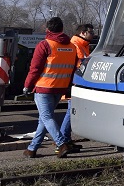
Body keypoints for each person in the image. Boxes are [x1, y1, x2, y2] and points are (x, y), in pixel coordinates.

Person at [22, 17, 78, 158]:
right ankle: (32, 149)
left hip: (44, 87)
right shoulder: (72, 47)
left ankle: (61, 144)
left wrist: (27, 86)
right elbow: (72, 69)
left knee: (46, 117)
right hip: (60, 87)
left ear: (47, 29)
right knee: (44, 118)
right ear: (62, 29)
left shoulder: (45, 45)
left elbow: (34, 69)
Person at [59, 23, 94, 151]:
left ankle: (65, 139)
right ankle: (63, 140)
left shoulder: (83, 45)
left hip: (78, 83)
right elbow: (79, 65)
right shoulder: (75, 45)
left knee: (72, 111)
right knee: (70, 111)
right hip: (74, 84)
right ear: (83, 33)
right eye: (91, 31)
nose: (93, 34)